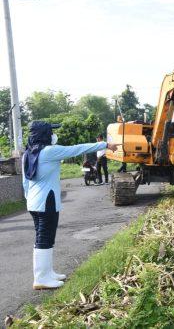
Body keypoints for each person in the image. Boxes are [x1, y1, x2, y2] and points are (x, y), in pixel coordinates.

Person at [22, 121, 117, 289]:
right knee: (44, 238)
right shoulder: (49, 151)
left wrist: (29, 199)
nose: (53, 135)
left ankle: (47, 273)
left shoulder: (27, 154)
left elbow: (25, 182)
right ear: (44, 134)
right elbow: (77, 148)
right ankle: (41, 278)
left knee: (43, 237)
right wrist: (105, 145)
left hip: (34, 203)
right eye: (51, 131)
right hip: (47, 201)